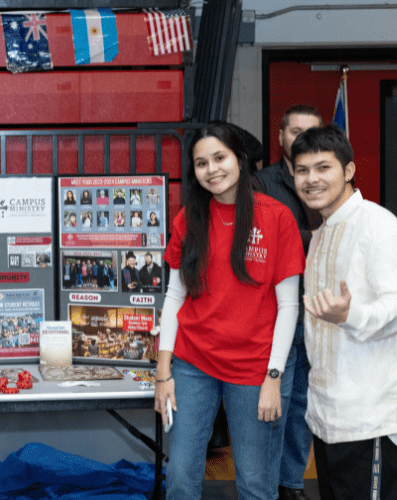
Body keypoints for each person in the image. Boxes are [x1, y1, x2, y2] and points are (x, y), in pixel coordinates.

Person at [155, 122, 304, 500]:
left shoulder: (276, 217)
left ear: (239, 159)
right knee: (181, 479)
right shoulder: (189, 218)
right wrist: (163, 373)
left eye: (219, 158)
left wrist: (274, 377)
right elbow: (174, 297)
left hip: (255, 369)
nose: (212, 170)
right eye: (201, 163)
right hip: (193, 364)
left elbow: (288, 306)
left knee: (255, 483)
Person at [292, 125, 397, 499]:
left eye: (323, 167)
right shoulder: (320, 234)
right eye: (302, 170)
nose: (312, 179)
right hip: (326, 419)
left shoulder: (378, 225)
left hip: (369, 421)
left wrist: (349, 317)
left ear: (349, 171)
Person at [253, 104, 322, 500]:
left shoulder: (324, 180)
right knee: (273, 408)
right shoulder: (260, 184)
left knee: (304, 407)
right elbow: (263, 242)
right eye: (294, 131)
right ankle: (267, 485)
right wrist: (319, 239)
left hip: (321, 313)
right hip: (277, 314)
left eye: (310, 132)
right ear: (280, 136)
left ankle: (291, 482)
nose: (302, 139)